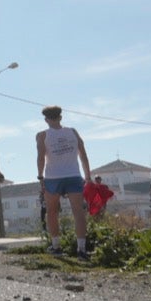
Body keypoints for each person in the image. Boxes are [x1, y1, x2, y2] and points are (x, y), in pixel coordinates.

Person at [35, 105, 93, 259]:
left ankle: (56, 246)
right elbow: (83, 156)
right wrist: (88, 176)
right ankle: (81, 249)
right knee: (78, 213)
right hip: (73, 175)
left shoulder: (42, 135)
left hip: (53, 178)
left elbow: (41, 157)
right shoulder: (73, 132)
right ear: (60, 117)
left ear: (46, 120)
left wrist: (40, 176)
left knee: (52, 212)